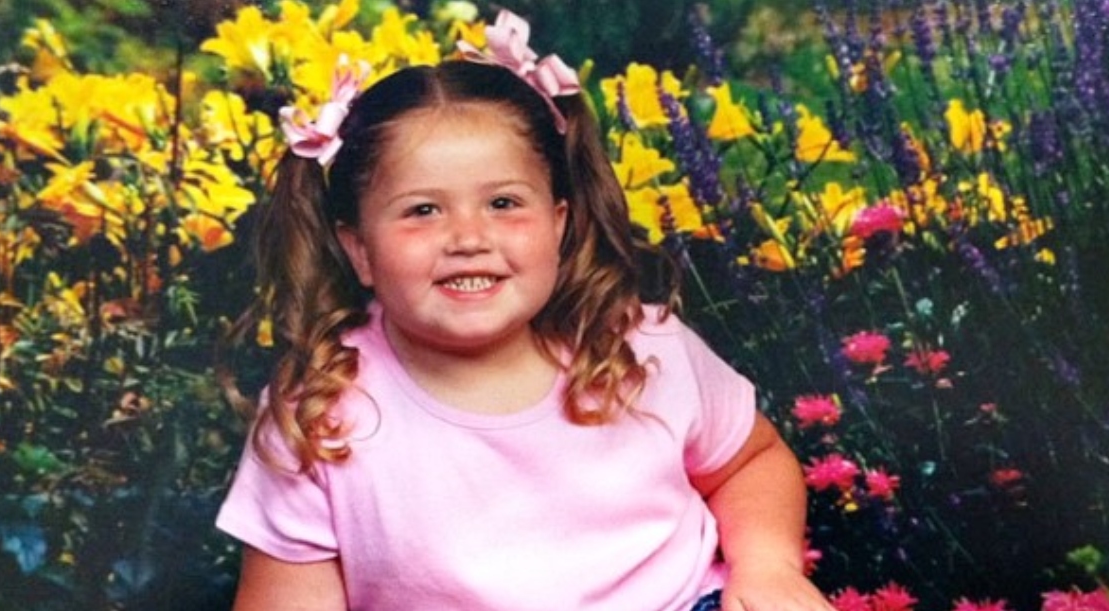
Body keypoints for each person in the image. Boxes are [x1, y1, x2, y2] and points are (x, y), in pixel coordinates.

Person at [216, 9, 834, 611]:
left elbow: (749, 461)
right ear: (359, 250)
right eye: (423, 211)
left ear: (558, 223)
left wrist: (767, 566)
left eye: (504, 203)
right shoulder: (322, 411)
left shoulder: (639, 347)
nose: (468, 238)